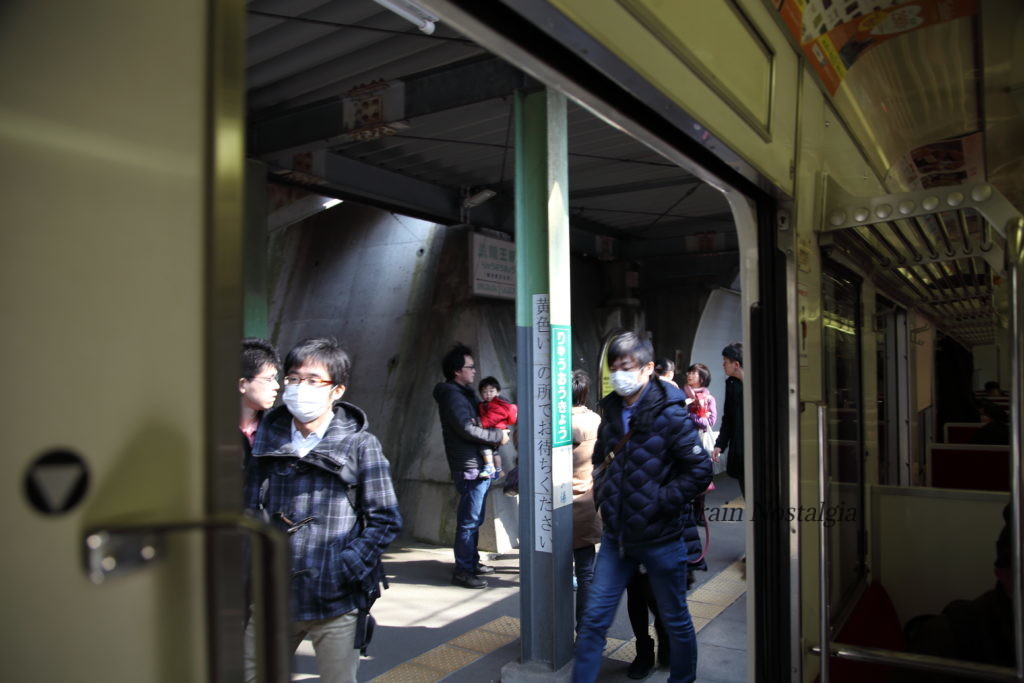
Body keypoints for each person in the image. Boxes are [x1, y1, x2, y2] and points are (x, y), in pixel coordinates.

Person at [243, 338, 402, 683]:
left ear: (337, 390)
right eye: (294, 378)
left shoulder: (361, 445)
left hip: (336, 602)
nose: (301, 388)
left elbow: (385, 519)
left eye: (314, 380)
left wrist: (346, 566)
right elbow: (247, 511)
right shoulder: (265, 443)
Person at [573, 331, 712, 683]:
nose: (619, 373)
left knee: (675, 617)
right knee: (593, 621)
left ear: (648, 368)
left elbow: (699, 470)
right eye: (614, 367)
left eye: (627, 366)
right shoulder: (612, 410)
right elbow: (603, 461)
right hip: (617, 540)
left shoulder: (670, 413)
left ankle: (681, 679)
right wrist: (605, 496)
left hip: (661, 539)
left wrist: (659, 503)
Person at [433, 343, 510, 589]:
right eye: (470, 367)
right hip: (470, 466)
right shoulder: (452, 395)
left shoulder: (463, 393)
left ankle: (472, 562)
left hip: (477, 463)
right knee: (469, 520)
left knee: (474, 519)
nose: (474, 371)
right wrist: (498, 437)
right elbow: (466, 428)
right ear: (457, 371)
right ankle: (463, 571)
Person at [570, 369, 602, 634]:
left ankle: (550, 634)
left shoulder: (549, 421)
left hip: (550, 507)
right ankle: (585, 632)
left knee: (550, 574)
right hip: (586, 505)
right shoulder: (595, 421)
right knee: (586, 573)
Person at [239, 338, 280, 461]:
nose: (277, 386)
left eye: (275, 378)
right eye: (268, 379)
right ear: (242, 384)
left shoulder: (279, 426)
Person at [713, 342, 745, 498]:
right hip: (739, 448)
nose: (723, 365)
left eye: (725, 362)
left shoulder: (759, 384)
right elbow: (729, 418)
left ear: (736, 364)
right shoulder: (731, 384)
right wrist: (720, 444)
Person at [477, 376, 518, 479]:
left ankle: (490, 467)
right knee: (494, 451)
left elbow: (493, 417)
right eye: (485, 392)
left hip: (496, 430)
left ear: (498, 392)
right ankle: (499, 470)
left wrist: (481, 422)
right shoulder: (487, 404)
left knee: (484, 445)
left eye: (491, 391)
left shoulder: (497, 403)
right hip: (497, 430)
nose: (488, 394)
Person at [685, 362, 718, 454]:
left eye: (693, 373)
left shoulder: (709, 399)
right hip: (683, 439)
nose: (689, 375)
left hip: (700, 440)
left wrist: (689, 415)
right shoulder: (681, 395)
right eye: (689, 372)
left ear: (702, 379)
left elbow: (709, 423)